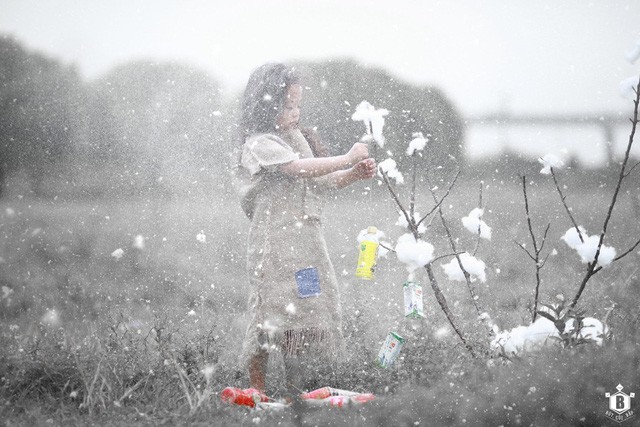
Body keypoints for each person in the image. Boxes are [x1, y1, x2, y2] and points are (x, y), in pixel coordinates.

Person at [235, 63, 376, 396]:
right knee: (268, 311)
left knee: (301, 311)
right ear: (265, 106)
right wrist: (346, 158)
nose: (295, 112)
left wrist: (354, 173)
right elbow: (297, 168)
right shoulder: (261, 143)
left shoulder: (295, 139)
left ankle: (295, 390)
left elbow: (322, 181)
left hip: (306, 247)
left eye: (298, 104)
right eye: (287, 105)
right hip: (274, 248)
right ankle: (257, 387)